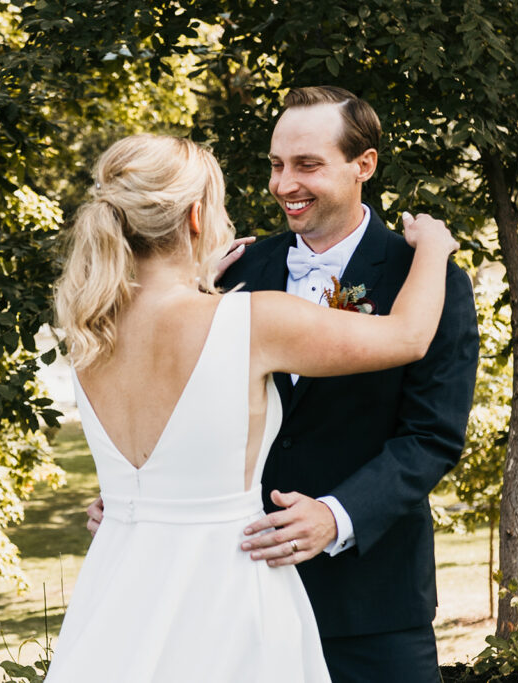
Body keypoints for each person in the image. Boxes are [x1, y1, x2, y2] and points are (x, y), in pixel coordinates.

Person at [88, 88, 479, 681]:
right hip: (229, 593)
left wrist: (336, 516)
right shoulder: (231, 274)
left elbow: (432, 435)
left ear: (363, 165)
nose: (283, 183)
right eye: (276, 164)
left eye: (307, 165)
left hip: (369, 600)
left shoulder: (423, 278)